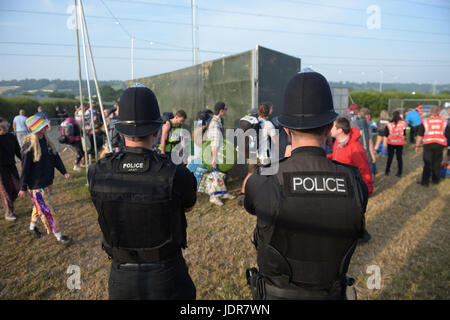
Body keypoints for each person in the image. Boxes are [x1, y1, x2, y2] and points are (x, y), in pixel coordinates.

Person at [244, 71, 368, 300]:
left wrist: (281, 165)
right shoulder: (354, 182)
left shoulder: (265, 180)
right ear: (330, 127)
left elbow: (249, 196)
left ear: (286, 129)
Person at [87, 84, 197, 300]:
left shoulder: (97, 172)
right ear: (156, 131)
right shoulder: (176, 174)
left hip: (122, 278)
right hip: (166, 275)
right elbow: (189, 206)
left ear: (120, 130)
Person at [17, 115, 72, 244]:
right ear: (38, 129)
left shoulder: (46, 141)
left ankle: (32, 227)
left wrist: (64, 171)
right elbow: (25, 168)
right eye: (43, 126)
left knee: (39, 207)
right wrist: (23, 187)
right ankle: (59, 236)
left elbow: (56, 158)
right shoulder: (29, 145)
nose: (46, 127)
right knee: (46, 210)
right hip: (36, 186)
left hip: (47, 182)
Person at [238, 102, 277, 205]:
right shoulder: (268, 124)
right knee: (267, 175)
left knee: (250, 174)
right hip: (264, 155)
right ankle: (266, 196)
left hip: (253, 153)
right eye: (271, 109)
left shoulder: (254, 122)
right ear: (269, 111)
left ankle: (242, 194)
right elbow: (275, 141)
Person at [329, 117, 374, 196]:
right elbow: (337, 156)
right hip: (340, 184)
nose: (329, 129)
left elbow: (364, 169)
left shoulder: (355, 147)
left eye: (332, 127)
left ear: (340, 130)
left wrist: (367, 190)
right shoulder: (337, 142)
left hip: (350, 187)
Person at [205, 102, 235, 206]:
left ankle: (223, 193)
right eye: (225, 109)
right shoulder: (214, 124)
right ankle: (213, 197)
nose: (226, 111)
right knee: (215, 174)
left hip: (218, 151)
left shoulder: (218, 121)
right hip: (215, 152)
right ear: (221, 111)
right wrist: (214, 158)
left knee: (220, 174)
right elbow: (214, 142)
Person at [416, 106, 449, 186]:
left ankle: (425, 182)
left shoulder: (425, 121)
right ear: (438, 112)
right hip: (439, 144)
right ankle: (435, 180)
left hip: (428, 144)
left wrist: (417, 145)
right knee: (437, 163)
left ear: (430, 112)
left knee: (427, 163)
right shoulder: (444, 122)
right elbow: (448, 134)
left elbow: (420, 135)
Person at [0, 118, 21, 221]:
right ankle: (9, 213)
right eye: (4, 127)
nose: (7, 128)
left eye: (7, 125)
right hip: (1, 169)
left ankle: (7, 203)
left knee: (18, 188)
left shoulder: (11, 136)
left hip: (11, 166)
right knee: (6, 191)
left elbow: (18, 150)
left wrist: (25, 160)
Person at [351, 108, 377, 178]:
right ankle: (371, 177)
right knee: (369, 164)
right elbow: (370, 142)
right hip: (365, 150)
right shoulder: (367, 125)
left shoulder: (352, 123)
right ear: (367, 115)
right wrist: (373, 155)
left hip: (355, 151)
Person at [382, 111, 407, 177]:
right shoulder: (403, 124)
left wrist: (384, 147)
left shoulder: (389, 124)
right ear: (399, 115)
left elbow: (386, 135)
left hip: (391, 143)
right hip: (400, 143)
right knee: (399, 158)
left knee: (390, 157)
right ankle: (399, 172)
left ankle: (387, 171)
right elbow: (404, 133)